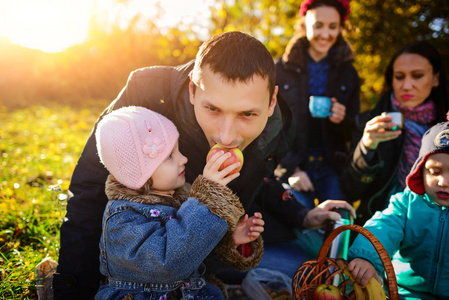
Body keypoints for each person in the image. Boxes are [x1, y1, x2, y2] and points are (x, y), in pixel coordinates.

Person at [53, 31, 355, 299]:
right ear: (192, 90)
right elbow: (88, 189)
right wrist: (72, 289)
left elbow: (263, 180)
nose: (226, 136)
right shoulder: (145, 95)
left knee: (316, 270)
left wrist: (302, 214)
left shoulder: (278, 127)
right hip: (141, 266)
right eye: (212, 109)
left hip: (212, 262)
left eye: (247, 115)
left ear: (272, 102)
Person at [94, 106, 264, 299]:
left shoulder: (180, 198)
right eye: (169, 156)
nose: (183, 159)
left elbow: (192, 251)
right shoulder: (123, 217)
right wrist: (208, 198)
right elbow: (170, 263)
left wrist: (230, 240)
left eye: (178, 150)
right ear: (140, 174)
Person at [340, 41, 449, 226]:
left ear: (435, 79)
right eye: (399, 77)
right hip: (380, 227)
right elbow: (350, 191)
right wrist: (366, 147)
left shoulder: (444, 126)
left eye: (417, 76)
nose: (407, 85)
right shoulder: (369, 122)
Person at [347, 114, 449, 299]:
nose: (444, 181)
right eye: (435, 171)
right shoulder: (408, 203)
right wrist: (366, 256)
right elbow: (383, 226)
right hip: (402, 293)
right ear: (420, 171)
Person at [275, 0, 360, 209]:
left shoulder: (349, 73)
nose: (325, 34)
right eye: (318, 25)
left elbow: (354, 130)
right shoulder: (280, 70)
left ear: (341, 28)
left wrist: (342, 120)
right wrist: (289, 169)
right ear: (304, 24)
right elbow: (268, 126)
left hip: (332, 168)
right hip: (294, 167)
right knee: (300, 230)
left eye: (333, 27)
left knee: (340, 227)